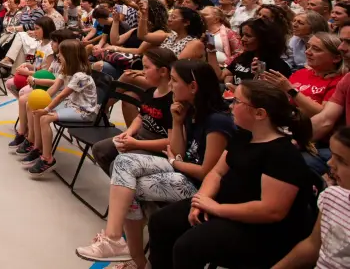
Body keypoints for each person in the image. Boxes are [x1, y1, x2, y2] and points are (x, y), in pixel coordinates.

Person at [76, 60, 234, 266]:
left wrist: (175, 162)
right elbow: (177, 151)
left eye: (175, 81)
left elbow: (206, 173)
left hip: (200, 187)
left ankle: (132, 256)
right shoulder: (187, 109)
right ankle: (118, 242)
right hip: (180, 168)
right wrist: (177, 122)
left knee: (127, 187)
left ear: (193, 87)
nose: (171, 85)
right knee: (122, 165)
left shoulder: (217, 122)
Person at [147, 80, 316, 269]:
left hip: (259, 229)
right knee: (161, 222)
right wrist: (201, 200)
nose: (231, 106)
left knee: (188, 247)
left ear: (260, 113)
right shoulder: (244, 135)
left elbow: (271, 211)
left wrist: (215, 208)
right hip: (226, 206)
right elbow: (218, 172)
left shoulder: (282, 154)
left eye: (237, 102)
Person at [89, 46, 178, 178]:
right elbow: (140, 117)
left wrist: (136, 144)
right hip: (140, 138)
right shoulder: (151, 92)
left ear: (163, 71)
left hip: (157, 148)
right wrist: (128, 133)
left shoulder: (173, 101)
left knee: (120, 162)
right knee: (100, 150)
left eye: (146, 68)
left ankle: (129, 188)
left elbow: (171, 142)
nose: (142, 72)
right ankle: (125, 185)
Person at [272, 125, 350, 268]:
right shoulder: (332, 197)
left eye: (341, 160)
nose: (329, 163)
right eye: (332, 155)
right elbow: (312, 246)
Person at [18, 38, 98, 177]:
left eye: (61, 53)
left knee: (44, 118)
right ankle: (37, 147)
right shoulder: (66, 70)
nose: (58, 56)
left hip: (84, 111)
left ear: (69, 56)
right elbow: (54, 88)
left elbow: (61, 96)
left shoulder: (80, 76)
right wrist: (42, 102)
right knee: (38, 112)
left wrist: (47, 109)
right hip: (71, 105)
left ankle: (48, 159)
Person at [220, 18, 292, 88]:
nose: (243, 39)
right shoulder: (243, 57)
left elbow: (266, 95)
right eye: (243, 35)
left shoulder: (276, 66)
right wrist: (211, 50)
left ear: (263, 39)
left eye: (248, 36)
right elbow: (220, 76)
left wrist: (231, 87)